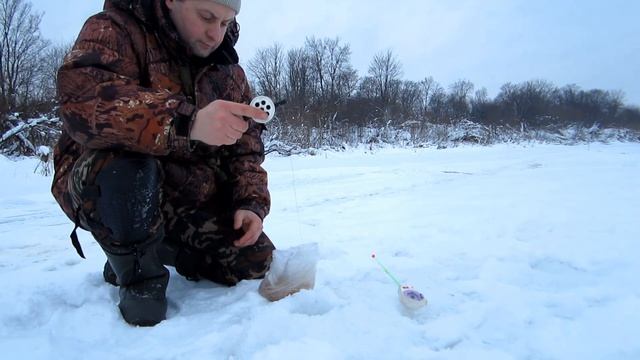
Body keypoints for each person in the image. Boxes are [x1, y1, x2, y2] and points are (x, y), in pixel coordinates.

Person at [51, 0, 275, 327]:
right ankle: (139, 273)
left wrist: (250, 204)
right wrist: (186, 121)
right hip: (106, 181)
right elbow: (82, 100)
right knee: (128, 169)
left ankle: (156, 247)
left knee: (254, 260)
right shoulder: (114, 29)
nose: (216, 34)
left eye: (226, 23)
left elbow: (246, 151)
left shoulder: (229, 72)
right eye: (207, 17)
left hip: (182, 192)